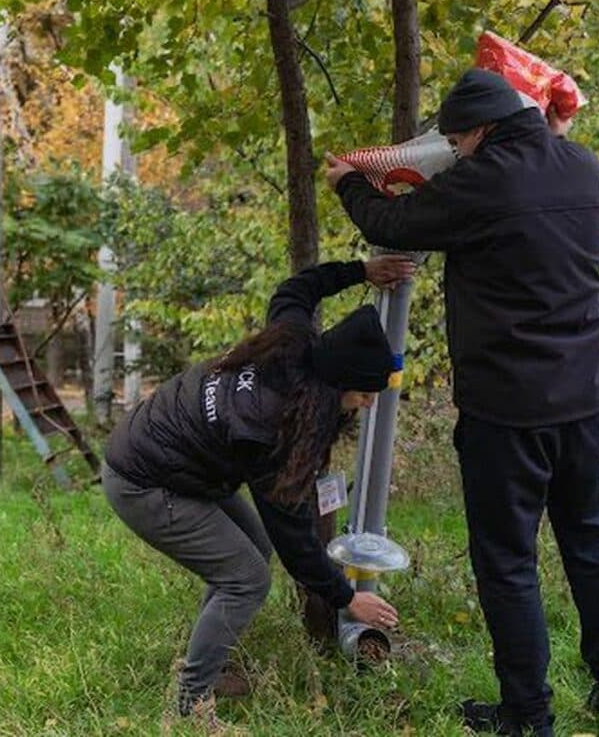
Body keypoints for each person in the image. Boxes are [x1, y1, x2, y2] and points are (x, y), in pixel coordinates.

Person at [324, 68, 599, 736]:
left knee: (508, 562)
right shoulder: (589, 170)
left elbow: (391, 221)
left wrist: (347, 182)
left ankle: (528, 715)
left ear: (479, 132)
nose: (455, 151)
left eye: (456, 141)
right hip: (586, 396)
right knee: (592, 543)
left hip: (507, 407)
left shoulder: (481, 181)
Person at [102, 255, 414, 728]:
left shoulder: (295, 340)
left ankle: (205, 662)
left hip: (174, 459)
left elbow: (296, 290)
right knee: (247, 578)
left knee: (252, 549)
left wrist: (361, 271)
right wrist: (347, 598)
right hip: (143, 482)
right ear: (336, 384)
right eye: (364, 394)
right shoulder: (271, 428)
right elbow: (295, 539)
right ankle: (190, 706)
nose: (369, 404)